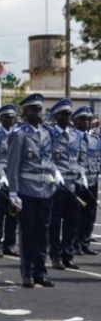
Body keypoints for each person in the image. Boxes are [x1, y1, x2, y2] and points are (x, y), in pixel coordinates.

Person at [6, 93, 58, 288]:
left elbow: (49, 158)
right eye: (34, 109)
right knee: (28, 233)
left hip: (46, 189)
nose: (38, 112)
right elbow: (13, 165)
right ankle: (27, 272)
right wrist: (13, 192)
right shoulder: (19, 135)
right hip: (27, 191)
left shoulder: (47, 133)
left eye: (39, 108)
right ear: (25, 112)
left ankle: (40, 272)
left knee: (43, 233)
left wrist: (55, 172)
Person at [47, 98, 85, 271]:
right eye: (63, 114)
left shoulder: (76, 136)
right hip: (57, 184)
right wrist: (54, 171)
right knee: (55, 222)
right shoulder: (49, 135)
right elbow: (45, 158)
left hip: (73, 183)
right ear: (56, 117)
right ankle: (55, 255)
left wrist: (82, 173)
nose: (67, 117)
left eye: (69, 114)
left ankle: (67, 254)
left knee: (72, 220)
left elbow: (81, 158)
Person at [0, 104, 19, 258]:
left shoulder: (18, 134)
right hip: (0, 178)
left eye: (12, 117)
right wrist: (0, 175)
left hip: (14, 177)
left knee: (13, 213)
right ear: (1, 118)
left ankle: (9, 244)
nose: (10, 119)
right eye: (7, 117)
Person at [72, 106, 99, 256]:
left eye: (89, 120)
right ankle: (74, 243)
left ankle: (85, 242)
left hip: (92, 179)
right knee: (77, 213)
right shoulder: (72, 138)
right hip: (78, 181)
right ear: (75, 121)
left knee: (90, 213)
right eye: (83, 119)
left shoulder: (95, 139)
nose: (87, 122)